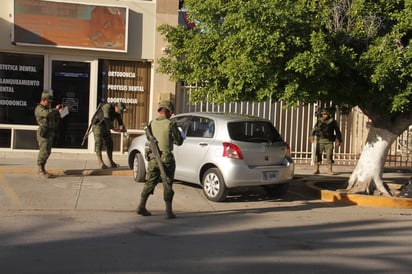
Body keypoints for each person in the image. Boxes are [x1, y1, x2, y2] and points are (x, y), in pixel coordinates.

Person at [137, 100, 184, 219]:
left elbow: (149, 137)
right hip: (166, 159)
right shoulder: (170, 124)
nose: (171, 115)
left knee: (150, 182)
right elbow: (178, 141)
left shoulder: (152, 123)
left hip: (153, 158)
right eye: (171, 112)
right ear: (168, 111)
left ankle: (141, 206)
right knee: (167, 183)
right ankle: (168, 211)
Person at [34, 91, 63, 178]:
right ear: (43, 100)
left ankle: (43, 168)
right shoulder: (39, 108)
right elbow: (47, 114)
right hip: (44, 133)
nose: (49, 103)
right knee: (43, 151)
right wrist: (56, 109)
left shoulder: (48, 109)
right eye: (48, 101)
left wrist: (60, 112)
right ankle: (40, 170)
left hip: (50, 133)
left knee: (47, 152)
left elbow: (54, 117)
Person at [92, 102, 127, 169]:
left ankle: (110, 162)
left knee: (110, 142)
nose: (119, 112)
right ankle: (100, 162)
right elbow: (106, 118)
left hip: (105, 127)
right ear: (116, 107)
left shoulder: (117, 112)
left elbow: (120, 121)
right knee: (99, 143)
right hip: (98, 125)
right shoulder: (107, 107)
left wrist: (122, 128)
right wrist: (113, 128)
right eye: (119, 110)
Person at [310, 109, 342, 175]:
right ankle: (317, 169)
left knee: (329, 155)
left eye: (326, 114)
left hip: (329, 141)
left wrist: (338, 140)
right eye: (323, 114)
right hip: (320, 141)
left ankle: (329, 170)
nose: (325, 115)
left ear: (328, 114)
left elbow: (337, 131)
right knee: (318, 155)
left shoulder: (332, 121)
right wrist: (311, 136)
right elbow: (314, 129)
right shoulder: (319, 121)